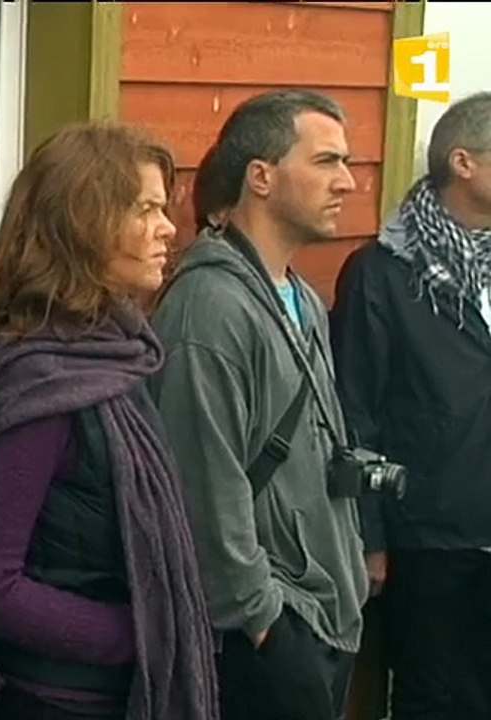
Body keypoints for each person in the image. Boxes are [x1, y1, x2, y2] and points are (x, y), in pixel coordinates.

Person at [0, 122, 218, 720]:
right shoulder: (38, 381)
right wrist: (136, 633)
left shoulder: (111, 357)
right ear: (84, 223)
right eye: (147, 209)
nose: (169, 230)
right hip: (48, 702)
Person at [148, 89, 369, 720]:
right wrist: (265, 624)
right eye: (326, 161)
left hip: (322, 619)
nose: (348, 182)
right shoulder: (210, 309)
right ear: (262, 177)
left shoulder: (299, 297)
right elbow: (202, 487)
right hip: (265, 638)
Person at [330, 90, 491, 719]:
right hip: (429, 534)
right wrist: (369, 536)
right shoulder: (383, 272)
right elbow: (355, 407)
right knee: (435, 701)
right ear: (463, 163)